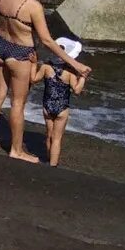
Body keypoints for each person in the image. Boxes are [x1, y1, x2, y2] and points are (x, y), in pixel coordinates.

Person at [0, 0, 91, 162]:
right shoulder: (33, 7)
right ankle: (16, 150)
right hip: (19, 54)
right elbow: (47, 41)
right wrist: (76, 64)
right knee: (18, 104)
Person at [37, 37, 88, 168]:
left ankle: (48, 157)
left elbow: (33, 79)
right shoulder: (70, 72)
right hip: (62, 107)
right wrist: (82, 77)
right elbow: (76, 90)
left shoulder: (46, 67)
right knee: (57, 138)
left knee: (49, 134)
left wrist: (32, 63)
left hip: (47, 106)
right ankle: (53, 165)